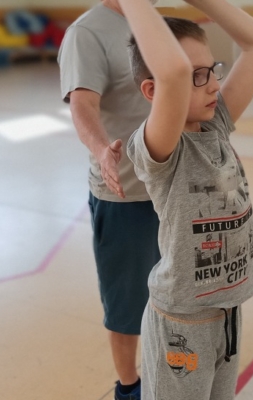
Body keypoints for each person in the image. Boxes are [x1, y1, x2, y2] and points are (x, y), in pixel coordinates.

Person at [120, 0, 253, 398]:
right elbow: (171, 72)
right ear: (153, 91)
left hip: (228, 312)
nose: (213, 84)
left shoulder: (215, 125)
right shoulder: (160, 151)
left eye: (212, 70)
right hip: (183, 325)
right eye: (197, 76)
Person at [57, 1, 161, 399]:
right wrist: (102, 150)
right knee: (127, 302)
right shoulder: (89, 32)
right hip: (127, 195)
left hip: (175, 190)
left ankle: (172, 370)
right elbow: (83, 104)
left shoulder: (159, 22)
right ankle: (129, 387)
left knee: (177, 293)